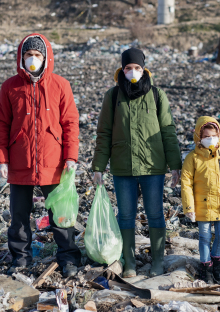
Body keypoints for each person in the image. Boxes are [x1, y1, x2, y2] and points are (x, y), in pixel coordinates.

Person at [0, 33, 81, 277]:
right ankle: (20, 259)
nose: (33, 59)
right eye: (29, 55)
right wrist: (1, 159)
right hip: (20, 163)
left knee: (60, 215)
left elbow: (70, 123)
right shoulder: (10, 87)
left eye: (37, 55)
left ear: (46, 58)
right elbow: (1, 124)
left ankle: (68, 259)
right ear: (22, 57)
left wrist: (71, 157)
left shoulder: (60, 85)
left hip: (54, 164)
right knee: (19, 216)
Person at [91, 48, 182, 278]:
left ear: (144, 70)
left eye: (137, 68)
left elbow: (168, 131)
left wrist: (175, 165)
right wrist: (98, 167)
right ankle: (130, 262)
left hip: (153, 165)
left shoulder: (156, 95)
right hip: (123, 166)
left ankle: (158, 262)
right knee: (125, 215)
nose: (133, 72)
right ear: (122, 69)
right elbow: (104, 133)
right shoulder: (112, 96)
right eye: (129, 68)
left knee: (155, 213)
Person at [181, 116, 220, 284]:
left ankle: (216, 261)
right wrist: (189, 207)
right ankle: (206, 266)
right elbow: (186, 183)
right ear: (199, 137)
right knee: (204, 237)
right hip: (202, 206)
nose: (210, 139)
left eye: (213, 135)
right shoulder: (192, 158)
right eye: (206, 136)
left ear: (219, 135)